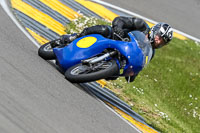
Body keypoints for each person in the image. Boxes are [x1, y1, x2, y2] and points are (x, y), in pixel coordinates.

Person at [57, 16, 173, 82]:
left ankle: (90, 70)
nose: (159, 42)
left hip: (121, 54)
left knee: (114, 75)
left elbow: (140, 63)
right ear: (155, 30)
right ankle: (74, 37)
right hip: (115, 38)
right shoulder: (141, 25)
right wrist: (118, 28)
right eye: (159, 37)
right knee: (104, 30)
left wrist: (133, 74)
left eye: (163, 42)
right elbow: (120, 20)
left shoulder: (151, 53)